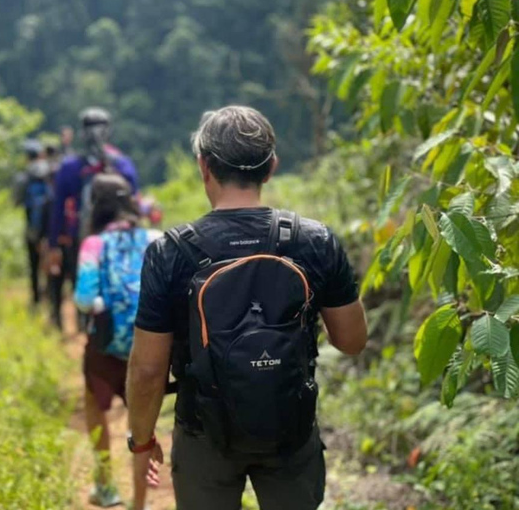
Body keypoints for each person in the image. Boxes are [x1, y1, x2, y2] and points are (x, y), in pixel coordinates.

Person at [126, 106, 368, 510]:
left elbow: (148, 369)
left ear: (204, 166)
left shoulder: (170, 252)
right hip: (290, 426)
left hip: (203, 434)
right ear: (271, 167)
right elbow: (353, 340)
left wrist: (142, 440)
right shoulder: (315, 241)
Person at [74, 174, 161, 507]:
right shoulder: (154, 238)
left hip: (105, 346)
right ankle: (140, 501)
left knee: (95, 407)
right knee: (142, 427)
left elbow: (84, 299)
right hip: (148, 346)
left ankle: (105, 486)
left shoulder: (94, 245)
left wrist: (102, 306)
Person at [48, 108, 140, 330]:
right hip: (119, 238)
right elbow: (134, 202)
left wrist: (53, 244)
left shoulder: (70, 167)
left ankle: (84, 327)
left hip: (80, 236)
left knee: (82, 280)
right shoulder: (123, 164)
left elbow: (58, 208)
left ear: (82, 133)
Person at [18, 139, 53, 308]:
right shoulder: (50, 171)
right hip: (50, 228)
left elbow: (17, 200)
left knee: (33, 264)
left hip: (32, 227)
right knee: (51, 262)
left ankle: (35, 299)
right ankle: (52, 296)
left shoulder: (25, 176)